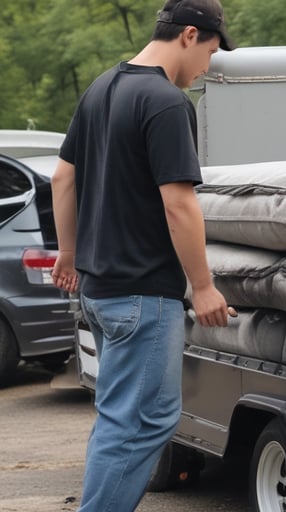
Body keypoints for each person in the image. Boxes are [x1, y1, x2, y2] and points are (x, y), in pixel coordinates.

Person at [50, 1, 236, 510]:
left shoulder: (100, 89)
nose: (208, 66)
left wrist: (68, 254)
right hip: (142, 296)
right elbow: (178, 203)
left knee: (118, 419)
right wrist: (202, 286)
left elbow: (62, 178)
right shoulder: (165, 101)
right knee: (142, 421)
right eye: (211, 52)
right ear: (189, 35)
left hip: (99, 290)